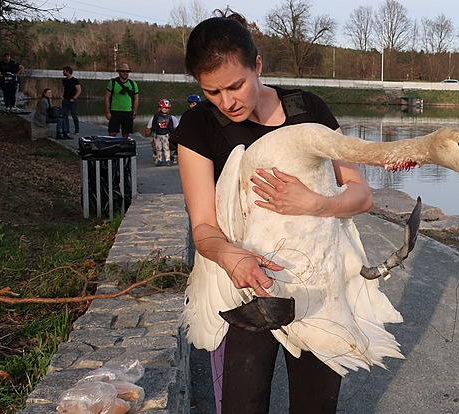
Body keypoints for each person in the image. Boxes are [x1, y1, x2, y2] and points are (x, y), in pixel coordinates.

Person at [171, 10, 372, 414]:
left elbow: (362, 195)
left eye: (236, 86)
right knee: (242, 406)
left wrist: (318, 203)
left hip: (318, 287)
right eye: (212, 92)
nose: (226, 102)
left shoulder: (309, 111)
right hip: (244, 288)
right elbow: (205, 229)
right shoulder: (197, 128)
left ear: (258, 65)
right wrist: (233, 257)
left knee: (316, 406)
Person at [105, 63, 138, 138]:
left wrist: (134, 112)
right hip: (115, 111)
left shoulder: (133, 84)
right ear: (119, 72)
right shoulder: (112, 83)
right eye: (123, 71)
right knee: (112, 133)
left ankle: (124, 148)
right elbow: (107, 97)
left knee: (126, 134)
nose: (125, 73)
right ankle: (111, 148)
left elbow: (136, 99)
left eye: (127, 72)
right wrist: (108, 112)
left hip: (128, 112)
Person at [145, 99, 179, 166]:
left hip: (166, 135)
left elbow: (173, 129)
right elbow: (148, 132)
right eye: (163, 108)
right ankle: (158, 159)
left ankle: (169, 159)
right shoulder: (155, 117)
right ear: (159, 108)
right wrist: (153, 132)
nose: (165, 109)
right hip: (157, 135)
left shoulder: (171, 118)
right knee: (158, 148)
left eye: (167, 108)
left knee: (167, 147)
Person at [62, 66, 81, 135]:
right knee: (64, 115)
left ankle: (77, 130)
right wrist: (62, 96)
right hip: (65, 100)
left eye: (64, 71)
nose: (63, 72)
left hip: (72, 100)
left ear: (68, 71)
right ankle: (67, 130)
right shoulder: (64, 80)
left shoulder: (75, 80)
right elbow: (64, 89)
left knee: (74, 115)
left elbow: (79, 90)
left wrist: (74, 98)